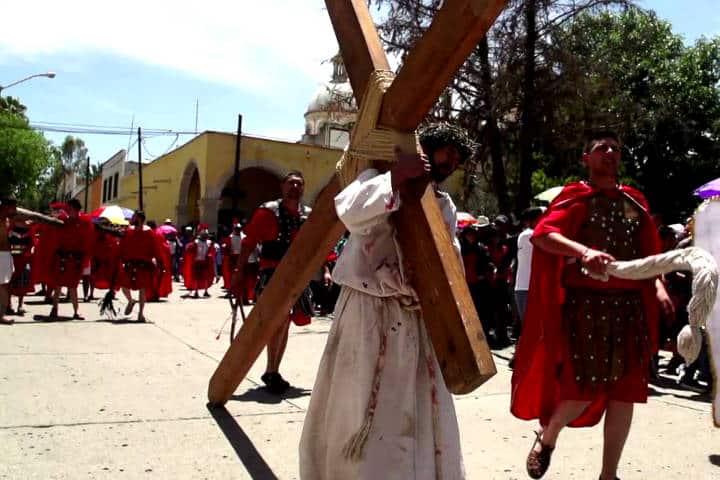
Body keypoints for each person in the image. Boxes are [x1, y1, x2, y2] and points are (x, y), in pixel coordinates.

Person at [299, 123, 475, 479]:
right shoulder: (374, 178)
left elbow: (449, 262)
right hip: (367, 312)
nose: (451, 161)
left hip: (415, 319)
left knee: (413, 410)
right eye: (447, 151)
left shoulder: (443, 204)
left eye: (458, 158)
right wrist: (395, 178)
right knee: (359, 404)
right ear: (425, 148)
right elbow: (349, 212)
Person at [510, 130, 673, 480]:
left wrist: (658, 285)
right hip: (587, 310)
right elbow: (544, 235)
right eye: (602, 148)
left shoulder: (635, 201)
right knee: (582, 390)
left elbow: (650, 256)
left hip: (630, 310)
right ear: (587, 158)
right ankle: (548, 437)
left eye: (616, 147)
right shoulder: (575, 197)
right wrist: (583, 251)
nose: (611, 152)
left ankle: (608, 475)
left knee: (625, 395)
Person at [231, 170, 314, 394]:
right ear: (282, 186)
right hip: (271, 272)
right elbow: (248, 244)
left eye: (299, 183)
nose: (295, 187)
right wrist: (238, 272)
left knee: (284, 324)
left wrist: (323, 271)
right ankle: (271, 370)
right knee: (275, 323)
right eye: (291, 183)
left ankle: (273, 370)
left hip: (295, 275)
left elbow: (313, 248)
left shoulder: (307, 215)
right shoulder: (267, 212)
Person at [45, 199, 94, 320]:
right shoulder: (63, 221)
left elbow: (88, 242)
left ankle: (76, 311)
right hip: (62, 258)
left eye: (70, 208)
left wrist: (84, 259)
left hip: (75, 260)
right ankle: (54, 309)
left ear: (76, 209)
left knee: (73, 286)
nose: (68, 210)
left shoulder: (85, 222)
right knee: (58, 284)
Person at [116, 211, 166, 322]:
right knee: (124, 286)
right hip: (130, 263)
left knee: (142, 289)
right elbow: (122, 245)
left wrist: (159, 262)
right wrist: (119, 257)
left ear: (138, 219)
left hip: (143, 265)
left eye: (134, 217)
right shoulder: (128, 231)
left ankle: (141, 314)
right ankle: (131, 300)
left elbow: (155, 248)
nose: (132, 218)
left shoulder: (149, 232)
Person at [8, 224, 35, 316]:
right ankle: (8, 304)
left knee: (23, 282)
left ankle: (20, 305)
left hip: (24, 258)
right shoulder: (10, 228)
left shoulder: (28, 229)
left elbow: (32, 243)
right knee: (9, 283)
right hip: (11, 258)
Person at [183, 225, 216, 298]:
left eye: (206, 235)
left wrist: (210, 256)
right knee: (196, 277)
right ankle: (196, 291)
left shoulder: (209, 242)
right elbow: (190, 251)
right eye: (204, 234)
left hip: (205, 262)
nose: (205, 236)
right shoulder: (195, 242)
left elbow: (212, 251)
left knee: (206, 277)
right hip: (197, 261)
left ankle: (206, 291)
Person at [0, 198, 19, 324]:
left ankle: (1, 314)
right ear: (7, 207)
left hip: (5, 255)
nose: (16, 210)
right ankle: (1, 315)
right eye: (14, 207)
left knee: (4, 286)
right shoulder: (3, 220)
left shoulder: (7, 220)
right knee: (3, 286)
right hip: (1, 255)